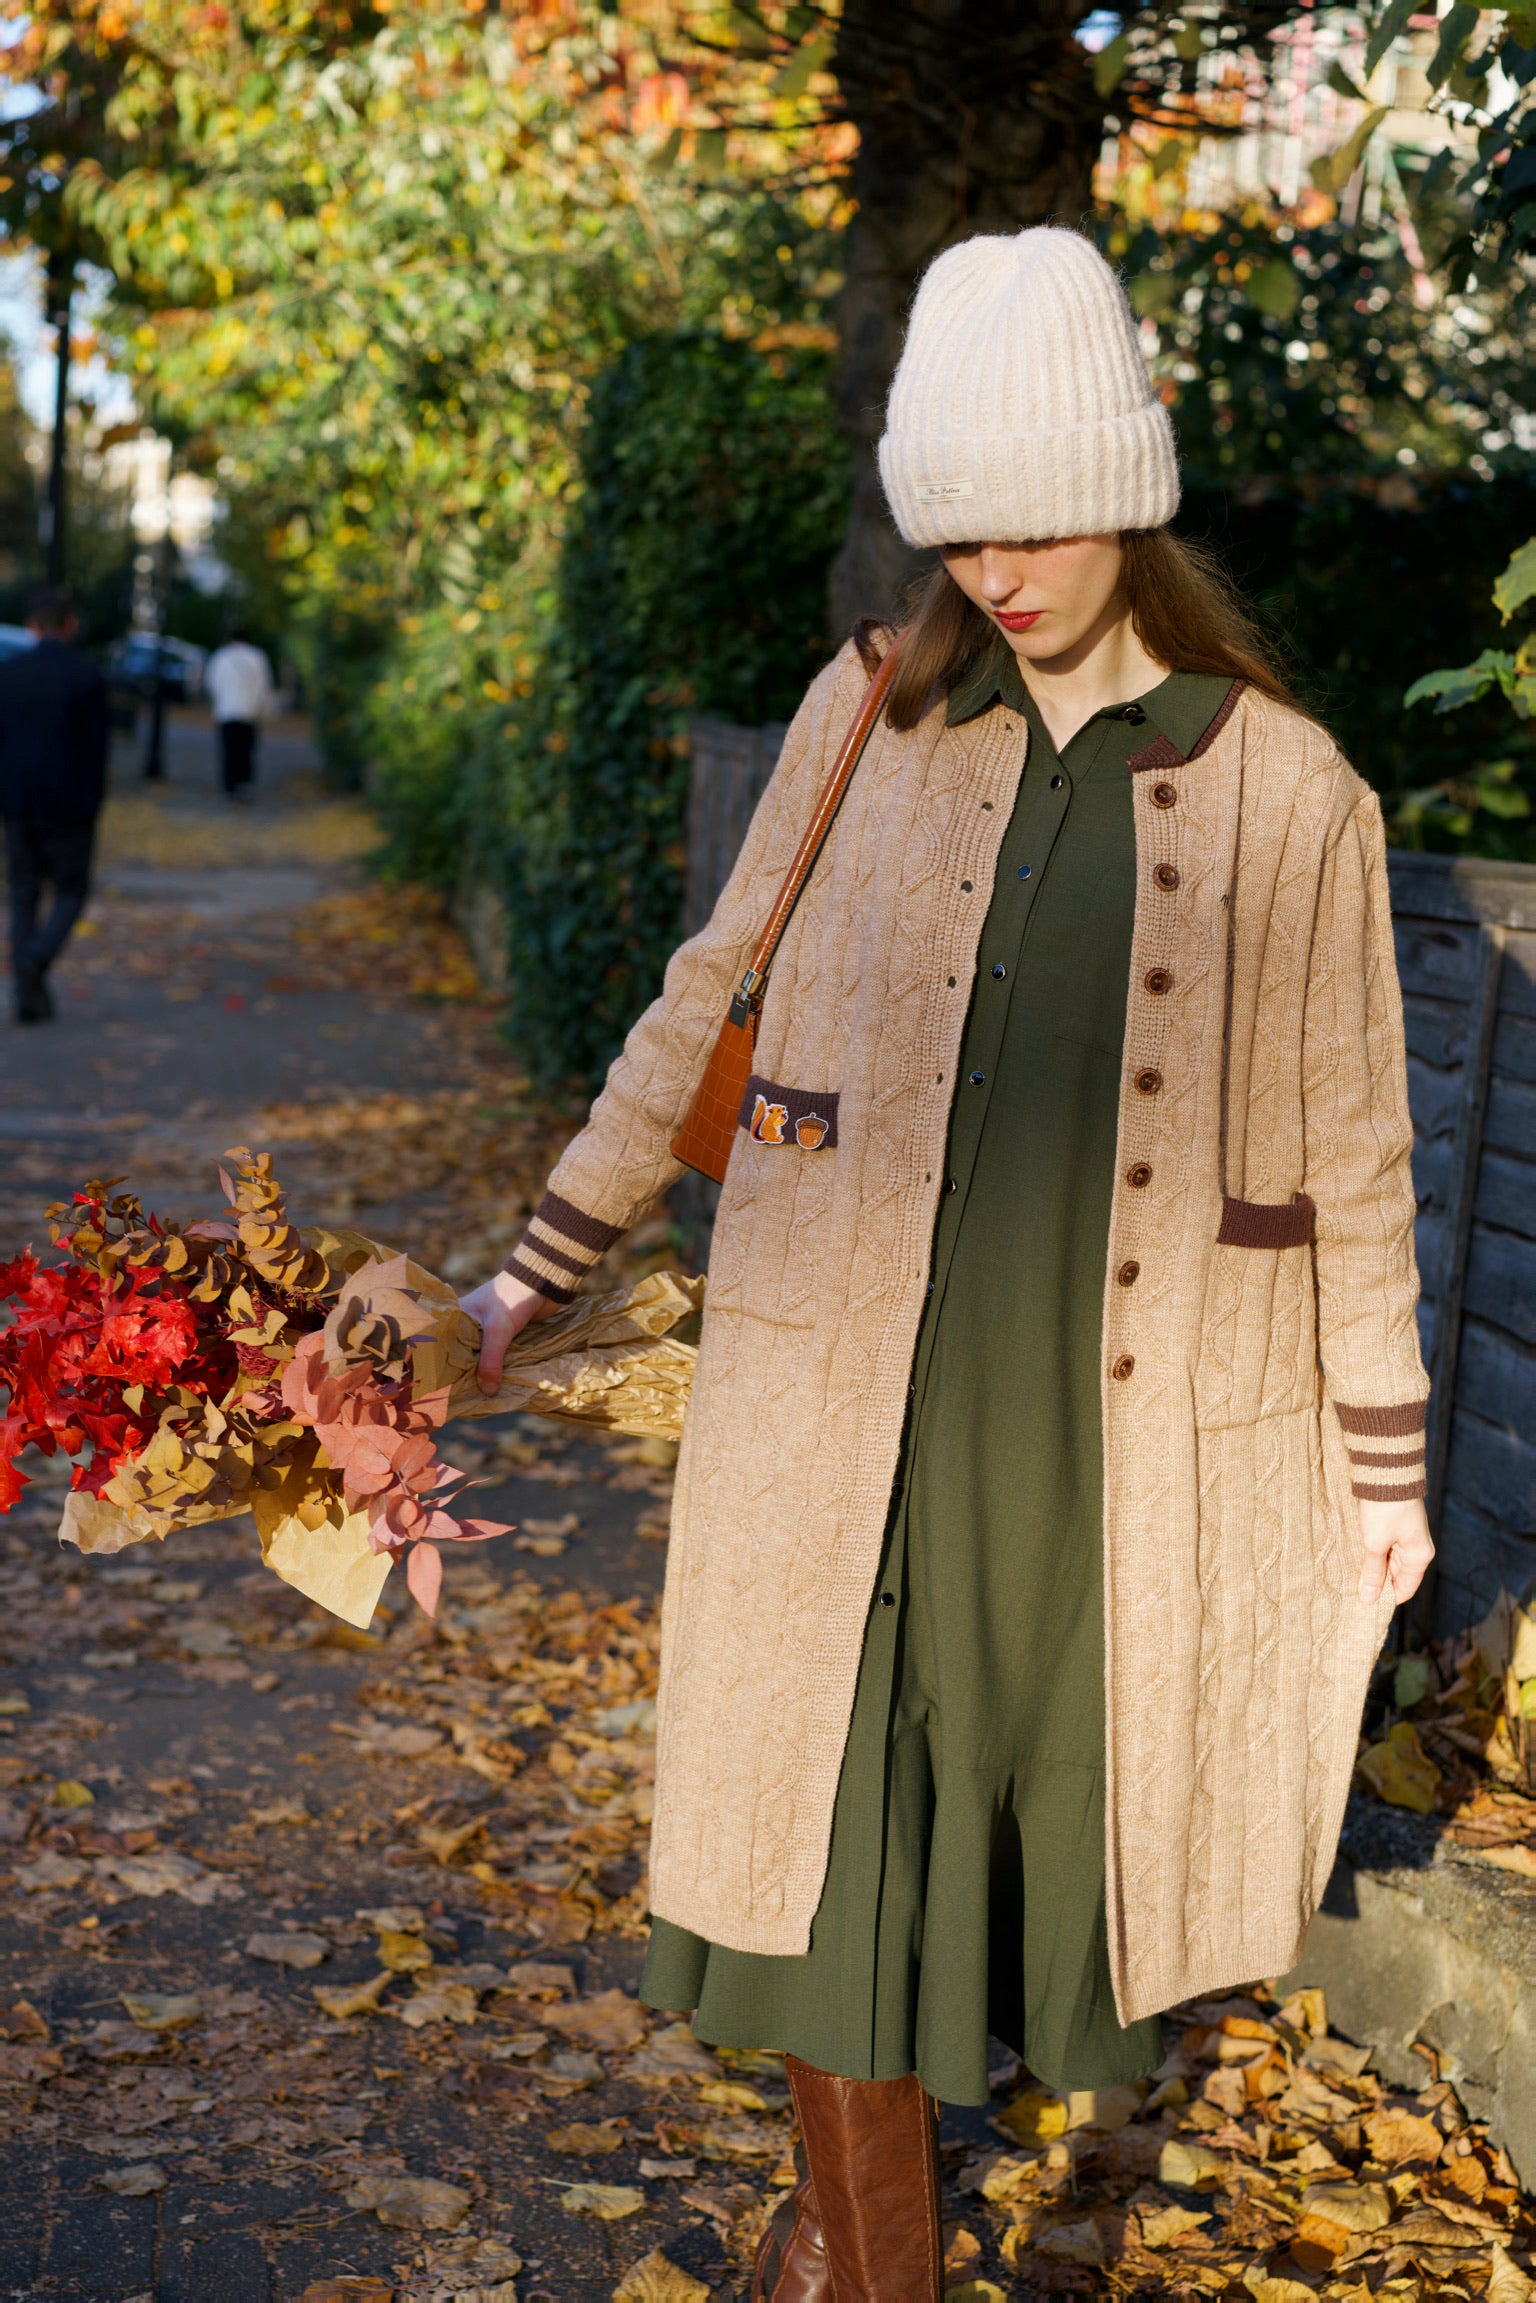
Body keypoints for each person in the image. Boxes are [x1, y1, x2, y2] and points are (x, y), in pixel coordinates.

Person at [462, 229, 1434, 2299]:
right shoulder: (870, 712)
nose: (996, 563)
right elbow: (697, 1002)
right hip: (843, 1400)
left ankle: (831, 2232)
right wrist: (518, 1283)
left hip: (1112, 1442)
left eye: (1038, 514)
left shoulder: (1288, 792)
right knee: (823, 1861)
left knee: (1005, 1876)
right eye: (959, 521)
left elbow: (1358, 1146)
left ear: (1131, 492)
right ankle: (871, 2267)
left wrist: (1382, 1468)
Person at [0, 587, 110, 1025]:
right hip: (70, 804)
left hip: (17, 802)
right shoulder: (86, 675)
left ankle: (27, 991)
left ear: (31, 626)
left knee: (24, 893)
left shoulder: (8, 674)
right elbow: (96, 748)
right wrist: (93, 801)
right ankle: (36, 958)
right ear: (70, 625)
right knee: (71, 891)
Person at [205, 626, 276, 800]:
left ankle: (230, 785)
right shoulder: (257, 657)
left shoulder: (220, 657)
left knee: (229, 749)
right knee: (246, 749)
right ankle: (245, 783)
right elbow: (265, 685)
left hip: (226, 711)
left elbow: (211, 683)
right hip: (249, 711)